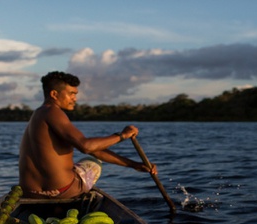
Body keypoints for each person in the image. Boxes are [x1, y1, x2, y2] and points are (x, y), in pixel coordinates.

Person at [19, 71, 156, 199]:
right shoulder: (53, 112)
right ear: (54, 94)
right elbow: (87, 147)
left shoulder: (38, 115)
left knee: (87, 158)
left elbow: (91, 148)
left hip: (31, 193)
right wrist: (122, 135)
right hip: (61, 191)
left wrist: (134, 165)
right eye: (71, 93)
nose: (75, 99)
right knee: (94, 162)